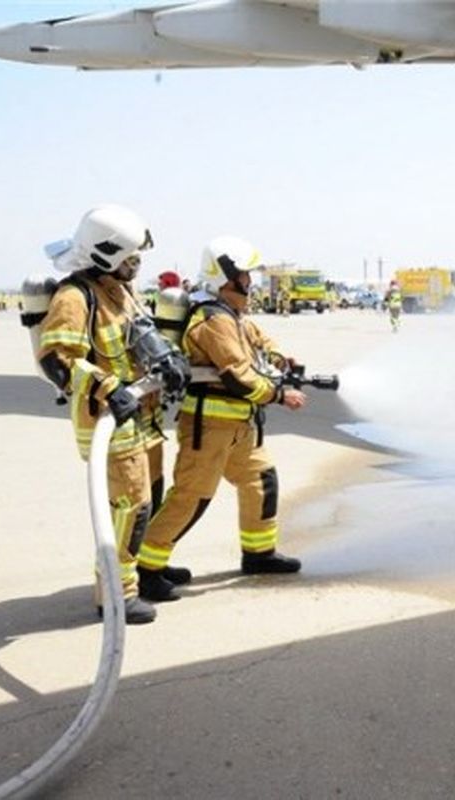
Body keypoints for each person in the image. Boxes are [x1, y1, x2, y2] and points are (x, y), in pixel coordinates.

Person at [37, 205, 187, 625]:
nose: (136, 266)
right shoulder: (74, 296)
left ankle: (142, 573)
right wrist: (108, 387)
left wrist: (170, 360)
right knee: (131, 508)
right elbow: (57, 359)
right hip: (110, 423)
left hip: (143, 417)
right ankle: (116, 595)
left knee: (150, 497)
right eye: (129, 258)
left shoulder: (119, 289)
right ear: (103, 254)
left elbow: (139, 335)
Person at [138, 236, 306, 603]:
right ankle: (147, 568)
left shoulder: (233, 316)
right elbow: (236, 374)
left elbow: (258, 339)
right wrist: (279, 394)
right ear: (225, 277)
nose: (250, 282)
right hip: (210, 427)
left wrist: (280, 358)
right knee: (191, 497)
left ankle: (259, 554)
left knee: (261, 481)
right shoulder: (212, 318)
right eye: (244, 275)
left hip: (241, 426)